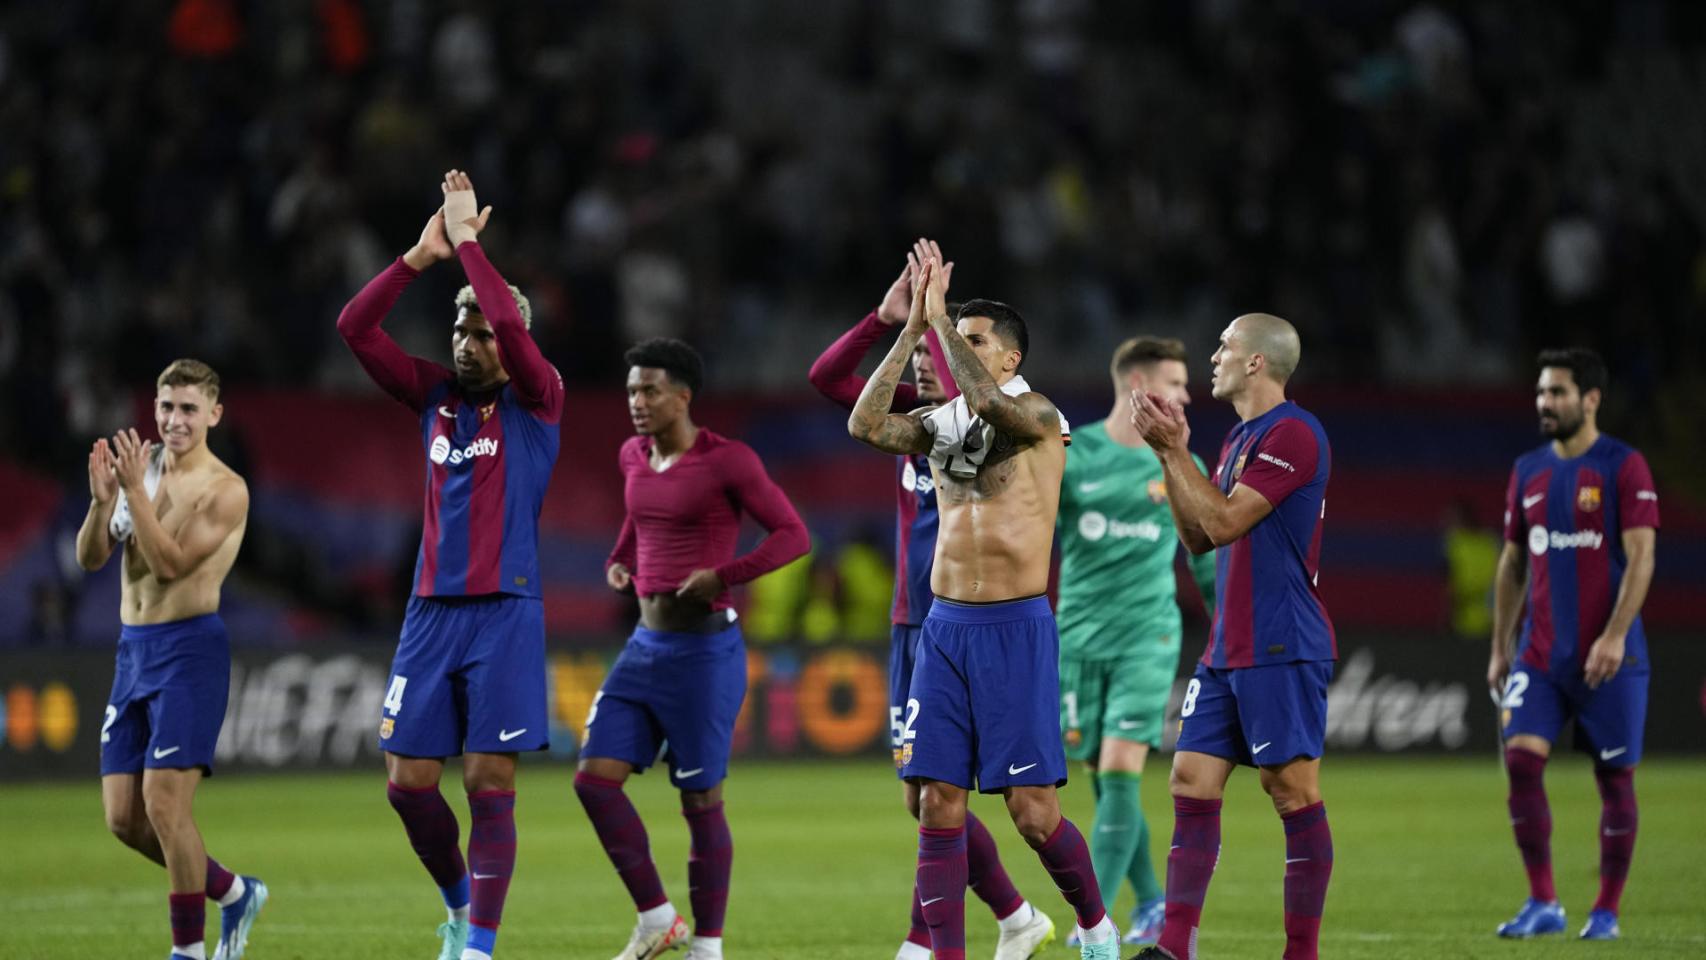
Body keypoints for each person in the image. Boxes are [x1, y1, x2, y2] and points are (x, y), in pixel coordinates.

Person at [848, 247, 1118, 960]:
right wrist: (911, 332)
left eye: (973, 341)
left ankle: (1095, 925)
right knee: (936, 800)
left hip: (1013, 629)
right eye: (955, 337)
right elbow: (865, 426)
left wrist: (941, 319)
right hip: (944, 628)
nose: (955, 348)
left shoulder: (1037, 411)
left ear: (1010, 356)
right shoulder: (943, 424)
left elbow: (995, 407)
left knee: (1032, 814)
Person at [337, 169, 563, 960]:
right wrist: (419, 257)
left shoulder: (539, 398)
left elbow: (506, 310)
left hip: (504, 608)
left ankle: (479, 948)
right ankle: (459, 904)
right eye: (461, 331)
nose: (468, 342)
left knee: (488, 783)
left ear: (513, 341)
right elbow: (355, 329)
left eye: (482, 331)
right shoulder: (434, 396)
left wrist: (470, 243)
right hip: (429, 611)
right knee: (407, 784)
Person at [809, 240, 1056, 960]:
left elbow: (982, 394)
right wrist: (889, 320)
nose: (922, 366)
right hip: (914, 620)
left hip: (981, 617)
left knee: (945, 792)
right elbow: (828, 379)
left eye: (931, 355)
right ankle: (1012, 917)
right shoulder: (915, 421)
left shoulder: (988, 424)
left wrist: (937, 322)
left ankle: (928, 938)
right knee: (922, 793)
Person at [582, 336, 811, 960]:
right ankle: (658, 917)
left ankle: (708, 947)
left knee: (700, 800)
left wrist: (726, 575)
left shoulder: (727, 461)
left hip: (703, 654)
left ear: (683, 396)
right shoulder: (633, 454)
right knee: (593, 782)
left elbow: (794, 534)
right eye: (631, 389)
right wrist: (620, 559)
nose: (637, 401)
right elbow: (638, 520)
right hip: (643, 646)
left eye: (650, 390)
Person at [1127, 313, 1335, 960]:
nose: (1212, 356)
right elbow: (1197, 540)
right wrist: (1173, 453)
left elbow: (1220, 523)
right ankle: (1175, 947)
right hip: (1230, 643)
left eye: (1223, 346)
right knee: (1189, 778)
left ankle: (1301, 953)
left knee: (1291, 790)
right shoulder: (1241, 439)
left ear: (1255, 362)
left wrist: (1170, 451)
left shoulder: (1293, 433)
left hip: (1281, 639)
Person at [75, 358, 268, 960]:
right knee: (124, 820)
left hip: (189, 652)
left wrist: (133, 491)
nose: (174, 420)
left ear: (214, 414)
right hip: (132, 651)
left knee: (163, 804)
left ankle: (186, 951)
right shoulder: (144, 469)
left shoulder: (225, 489)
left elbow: (169, 565)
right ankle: (235, 893)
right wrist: (100, 503)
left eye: (188, 408)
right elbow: (89, 559)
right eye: (165, 407)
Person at [1487, 347, 1658, 942]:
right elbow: (1511, 565)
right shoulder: (1528, 470)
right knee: (1521, 761)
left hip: (1612, 659)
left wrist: (1614, 636)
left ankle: (1606, 912)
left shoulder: (1623, 466)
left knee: (1615, 781)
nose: (1545, 403)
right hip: (1540, 654)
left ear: (1590, 399)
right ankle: (1544, 903)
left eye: (1557, 392)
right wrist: (1499, 646)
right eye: (1540, 392)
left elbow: (1642, 558)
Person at [1053, 337, 1215, 949]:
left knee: (1120, 773)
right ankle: (1151, 900)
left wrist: (1223, 617)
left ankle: (1092, 924)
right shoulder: (1075, 452)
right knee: (1100, 777)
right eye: (1176, 383)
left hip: (1148, 636)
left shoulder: (1175, 458)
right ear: (1140, 383)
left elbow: (1202, 548)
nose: (1186, 395)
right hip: (1078, 638)